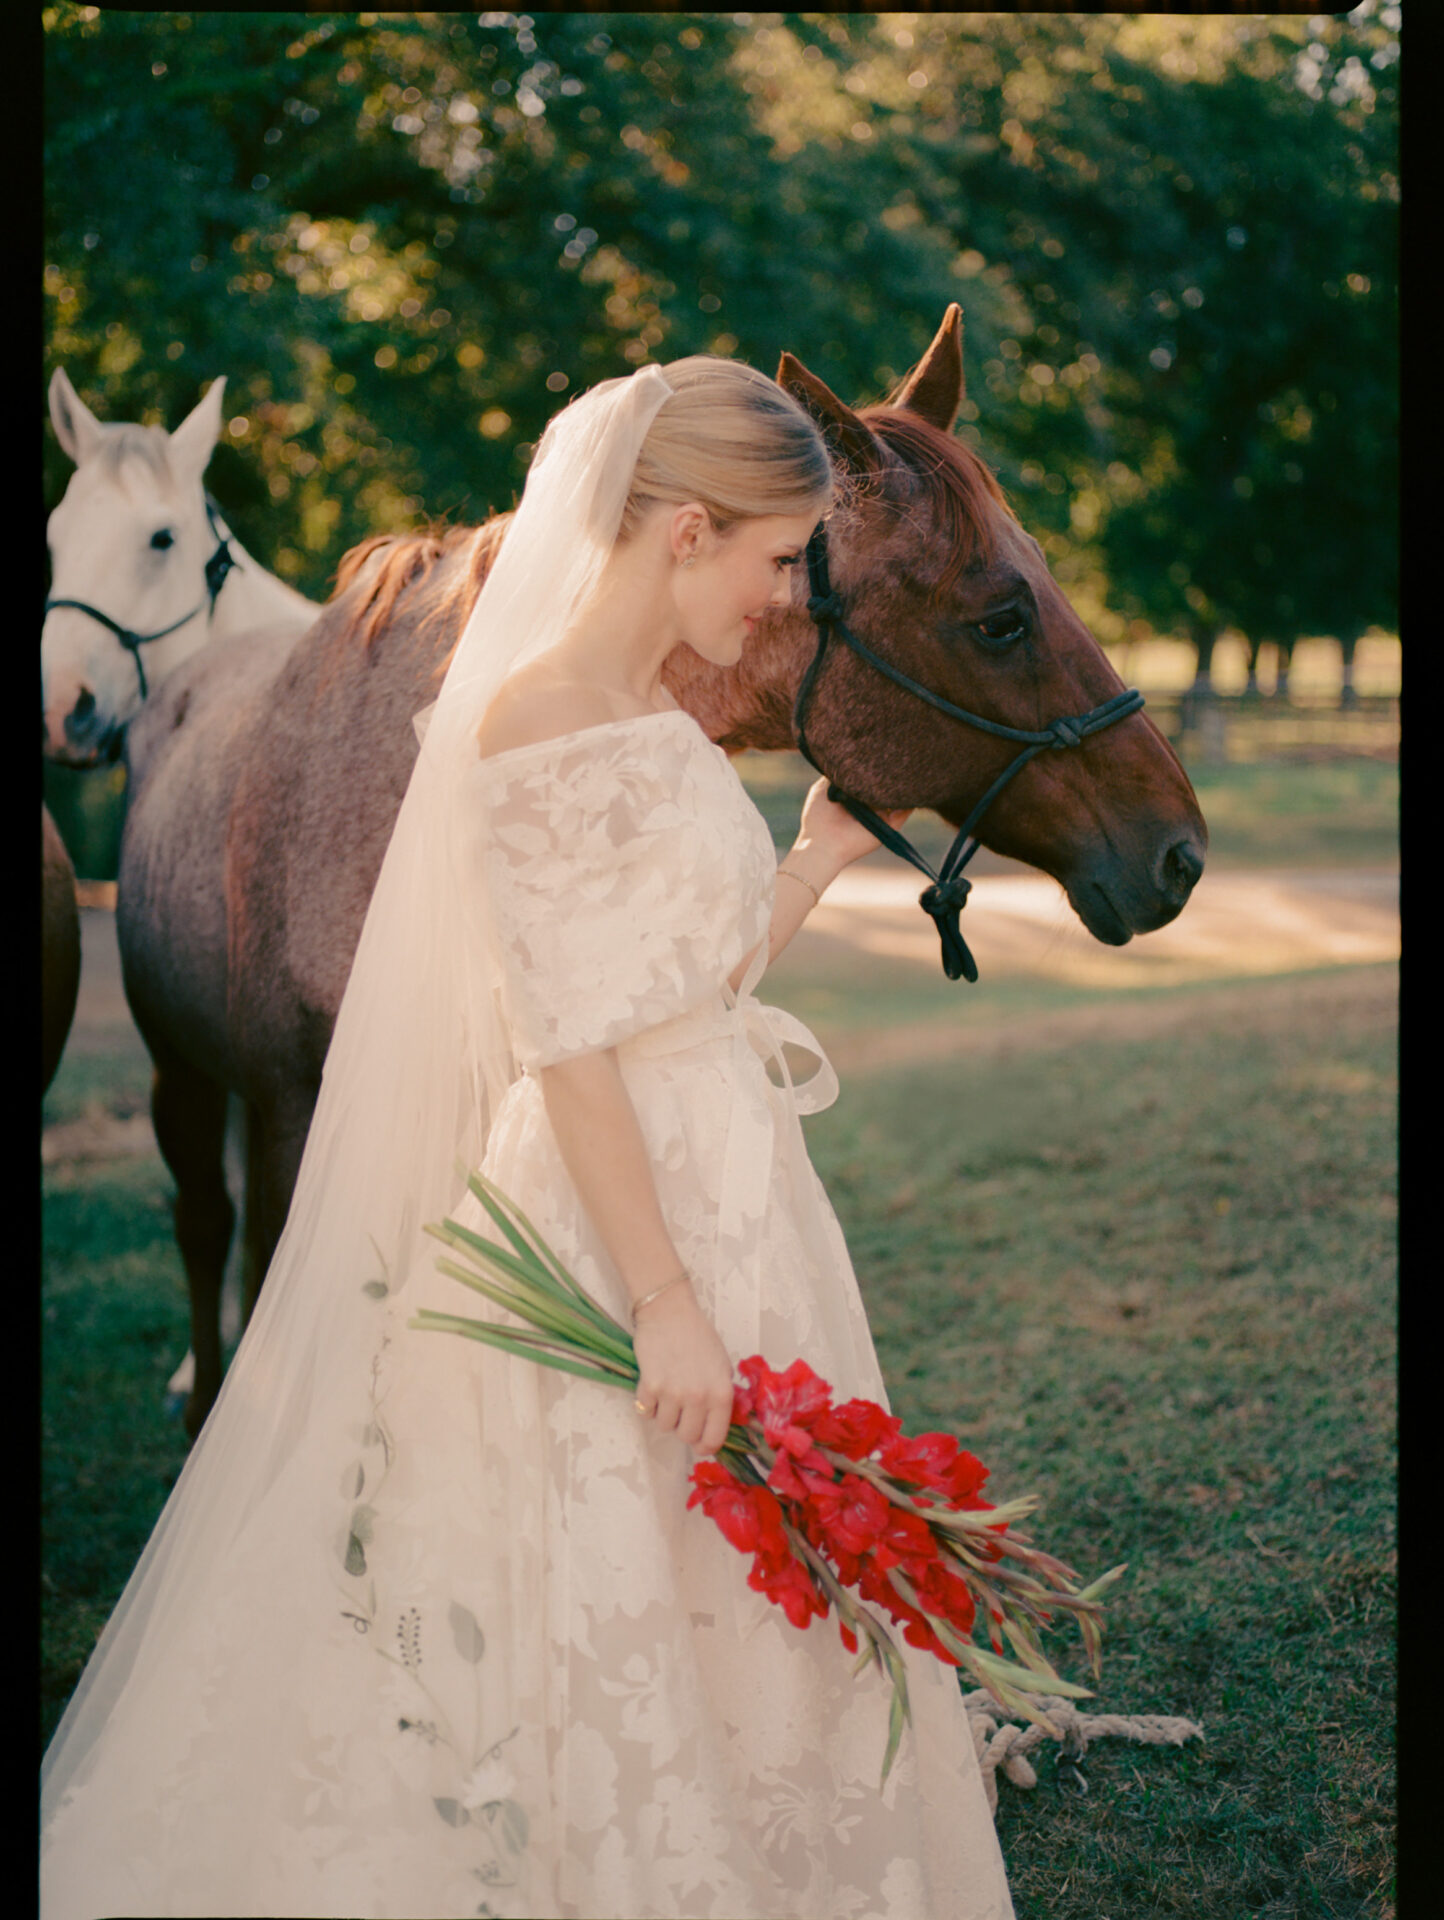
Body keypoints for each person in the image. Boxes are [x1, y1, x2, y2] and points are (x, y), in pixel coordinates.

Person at [40, 357, 1015, 1918]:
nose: (782, 604)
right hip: (625, 1213)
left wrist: (812, 866)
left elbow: (671, 990)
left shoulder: (650, 705)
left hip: (730, 1178)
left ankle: (739, 1808)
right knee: (608, 1533)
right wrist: (664, 1299)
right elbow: (567, 1047)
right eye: (776, 561)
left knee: (715, 1550)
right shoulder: (536, 715)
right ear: (685, 530)